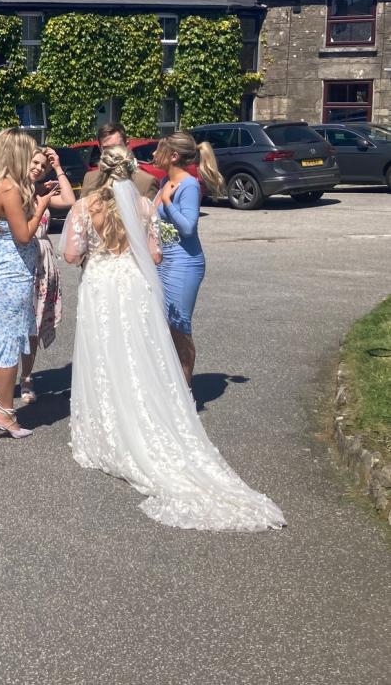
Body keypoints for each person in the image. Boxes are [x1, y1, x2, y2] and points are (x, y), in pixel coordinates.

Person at [63, 146, 283, 531]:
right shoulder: (146, 206)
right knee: (138, 352)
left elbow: (70, 254)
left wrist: (92, 252)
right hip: (132, 284)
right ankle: (146, 417)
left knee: (106, 355)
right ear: (131, 170)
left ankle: (112, 423)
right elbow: (156, 256)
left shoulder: (86, 206)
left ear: (100, 170)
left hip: (100, 285)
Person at [0, 128, 56, 439]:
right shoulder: (10, 190)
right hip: (12, 271)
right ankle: (5, 410)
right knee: (9, 342)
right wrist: (43, 203)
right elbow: (24, 234)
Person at [154, 130, 226, 386]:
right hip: (165, 262)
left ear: (173, 156)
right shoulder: (165, 182)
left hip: (185, 263)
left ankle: (185, 392)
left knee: (180, 326)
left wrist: (167, 202)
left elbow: (188, 227)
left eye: (159, 149)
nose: (153, 154)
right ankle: (171, 387)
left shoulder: (189, 185)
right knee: (165, 325)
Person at [19, 146, 77, 403]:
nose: (38, 169)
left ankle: (27, 377)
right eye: (35, 163)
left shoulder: (42, 192)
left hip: (43, 262)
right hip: (22, 262)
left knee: (34, 324)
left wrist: (58, 167)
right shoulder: (16, 191)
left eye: (43, 166)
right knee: (16, 324)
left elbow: (70, 201)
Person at [82, 122, 159, 200]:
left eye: (117, 147)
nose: (113, 153)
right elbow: (82, 210)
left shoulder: (145, 182)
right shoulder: (90, 178)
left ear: (127, 146)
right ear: (100, 149)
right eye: (107, 148)